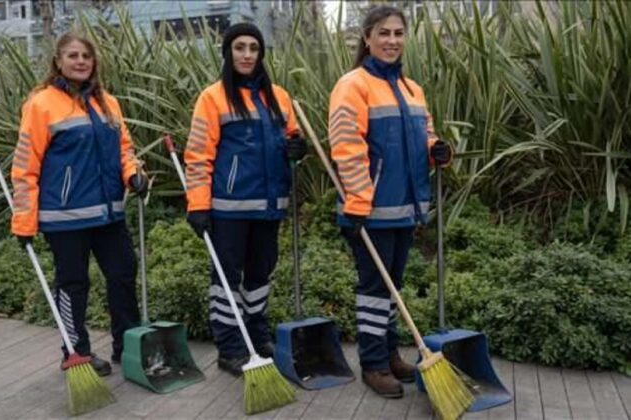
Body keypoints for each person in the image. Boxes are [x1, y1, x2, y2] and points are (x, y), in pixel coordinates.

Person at [328, 6, 452, 398]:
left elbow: (423, 134)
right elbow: (346, 149)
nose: (392, 41)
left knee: (392, 286)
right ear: (367, 38)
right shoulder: (353, 85)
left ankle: (390, 352)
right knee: (373, 288)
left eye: (398, 33)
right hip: (369, 210)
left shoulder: (412, 88)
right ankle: (373, 364)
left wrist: (436, 149)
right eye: (384, 33)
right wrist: (359, 204)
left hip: (405, 207)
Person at [10, 32, 149, 377]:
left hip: (109, 213)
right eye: (73, 55)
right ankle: (76, 351)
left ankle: (127, 345)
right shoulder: (41, 104)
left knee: (123, 273)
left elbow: (124, 150)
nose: (81, 61)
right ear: (58, 61)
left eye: (86, 55)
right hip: (65, 216)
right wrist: (24, 222)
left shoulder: (108, 103)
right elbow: (25, 165)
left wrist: (133, 174)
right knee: (73, 284)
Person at [183, 23, 307, 376]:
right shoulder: (213, 97)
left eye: (254, 47)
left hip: (270, 205)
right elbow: (198, 155)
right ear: (228, 52)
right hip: (228, 207)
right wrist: (198, 204)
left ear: (261, 53)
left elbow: (291, 142)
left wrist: (298, 149)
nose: (247, 54)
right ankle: (231, 346)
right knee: (226, 278)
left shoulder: (279, 97)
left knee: (260, 273)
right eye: (240, 47)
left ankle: (257, 334)